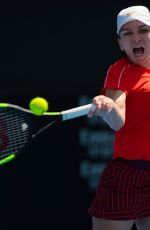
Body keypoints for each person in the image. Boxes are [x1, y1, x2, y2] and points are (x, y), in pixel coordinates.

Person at [87, 5, 150, 230]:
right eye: (128, 33)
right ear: (121, 43)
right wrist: (108, 107)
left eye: (143, 30)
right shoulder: (120, 71)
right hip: (127, 177)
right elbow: (117, 120)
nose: (136, 38)